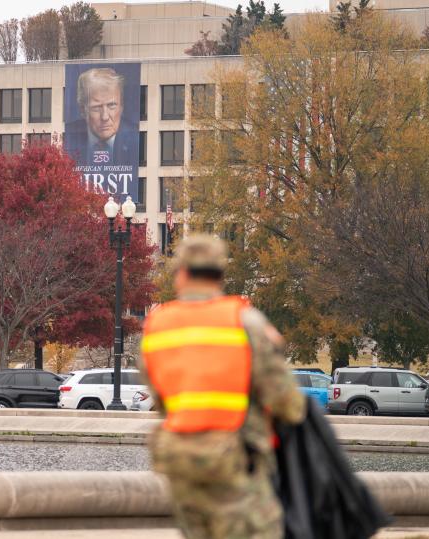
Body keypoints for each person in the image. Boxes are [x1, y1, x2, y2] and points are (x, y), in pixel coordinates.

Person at [139, 234, 306, 539]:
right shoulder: (246, 322)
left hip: (180, 462)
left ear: (183, 274)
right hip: (236, 461)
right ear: (220, 277)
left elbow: (161, 399)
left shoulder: (156, 326)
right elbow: (287, 403)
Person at [64, 67, 137, 167]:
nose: (105, 117)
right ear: (82, 109)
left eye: (111, 105)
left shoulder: (136, 137)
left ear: (121, 106)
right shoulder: (68, 137)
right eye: (96, 107)